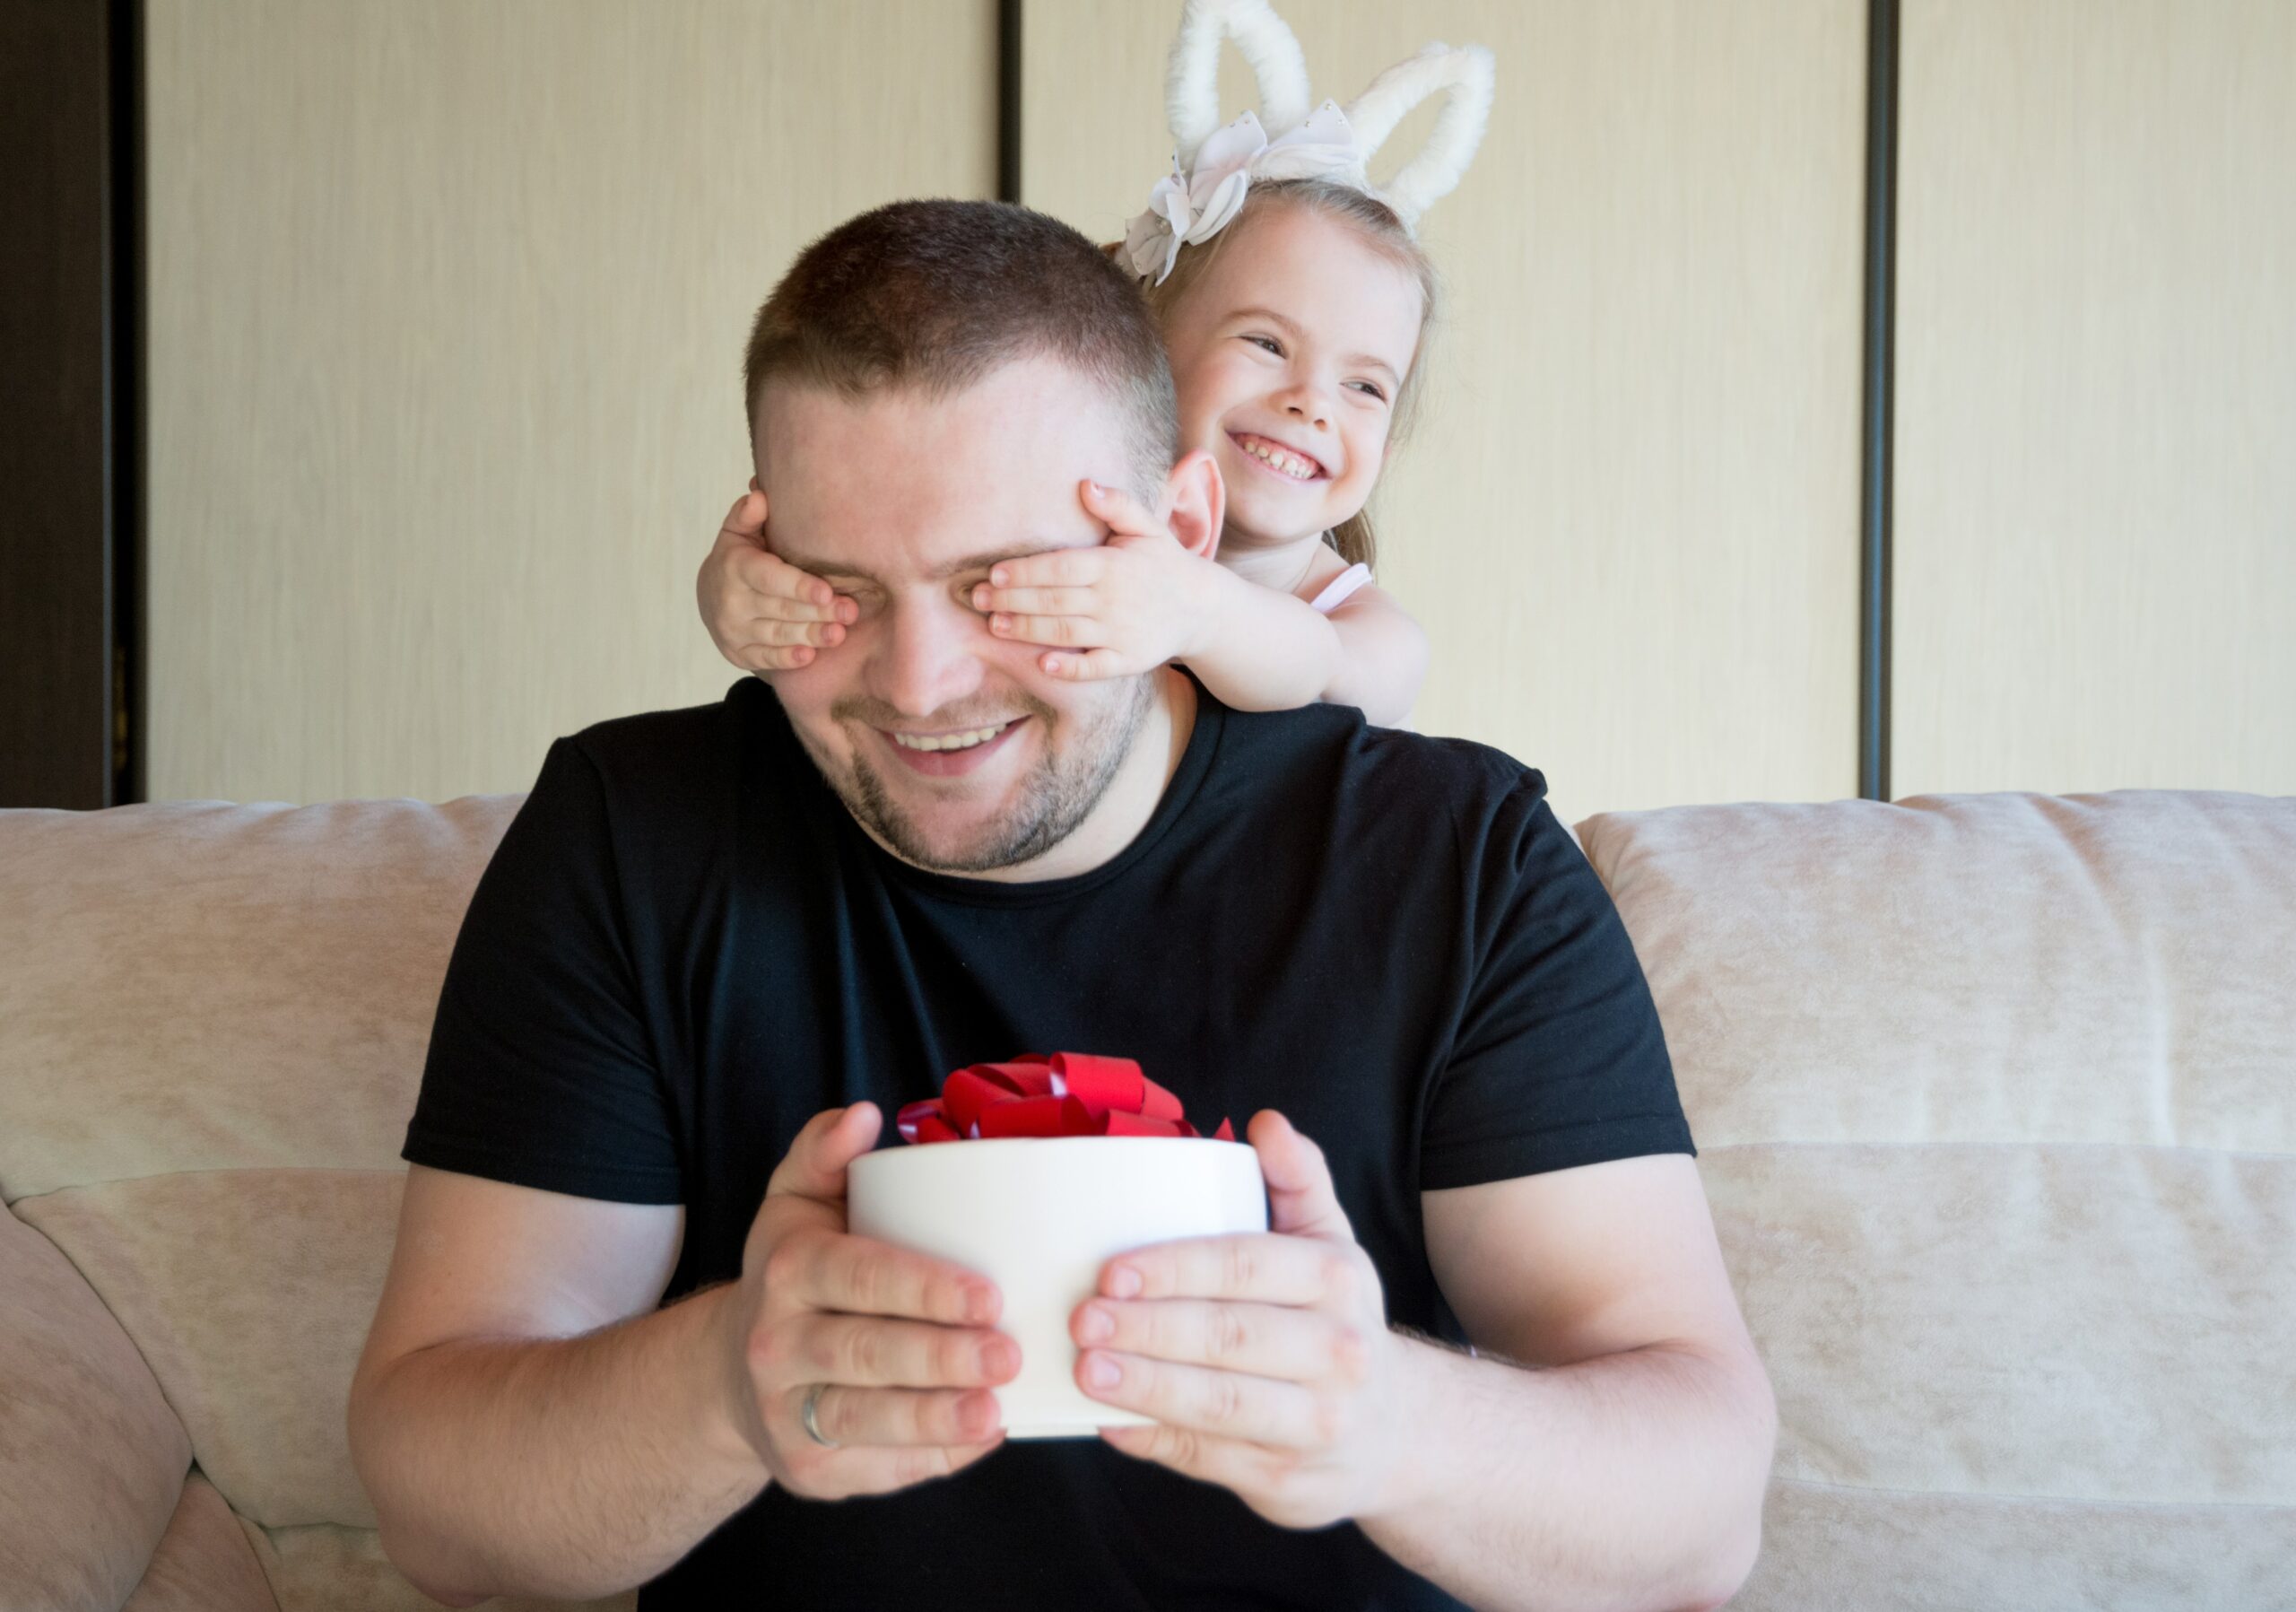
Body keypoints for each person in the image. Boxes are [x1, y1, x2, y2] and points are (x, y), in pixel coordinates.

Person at [347, 197, 1775, 1611]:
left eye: (1000, 585)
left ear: (1180, 525)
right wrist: (725, 1386)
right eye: (838, 591)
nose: (918, 686)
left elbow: (1701, 1519)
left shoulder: (1460, 862)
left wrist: (1390, 1423)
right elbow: (437, 1506)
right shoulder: (634, 836)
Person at [694, 5, 1489, 730]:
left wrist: (1195, 612)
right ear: (1140, 345)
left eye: (1364, 386)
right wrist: (745, 594)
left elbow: (1329, 671)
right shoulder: (1063, 511)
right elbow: (902, 572)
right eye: (1267, 345)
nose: (1312, 404)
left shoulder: (1366, 629)